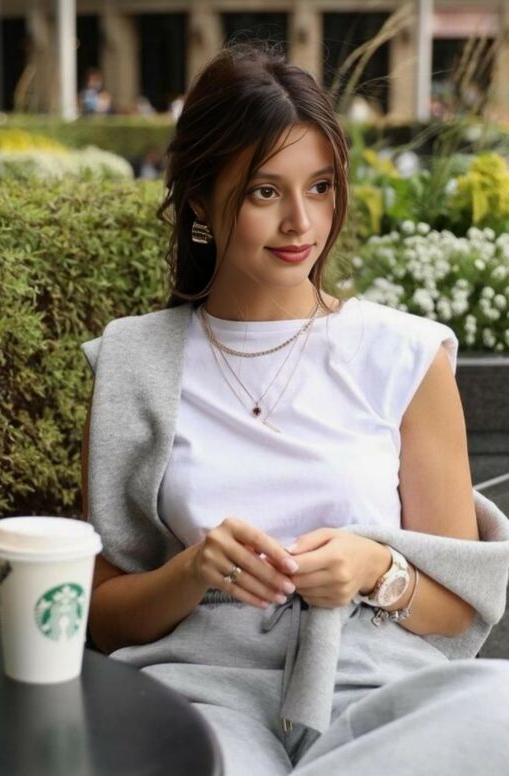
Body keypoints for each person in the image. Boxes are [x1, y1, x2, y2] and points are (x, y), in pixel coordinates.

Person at [80, 41, 509, 775]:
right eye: (264, 192)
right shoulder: (135, 361)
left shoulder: (404, 355)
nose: (301, 223)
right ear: (200, 200)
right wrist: (195, 571)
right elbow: (102, 618)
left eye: (320, 187)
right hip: (202, 690)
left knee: (498, 710)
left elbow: (460, 604)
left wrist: (377, 569)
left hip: (377, 683)